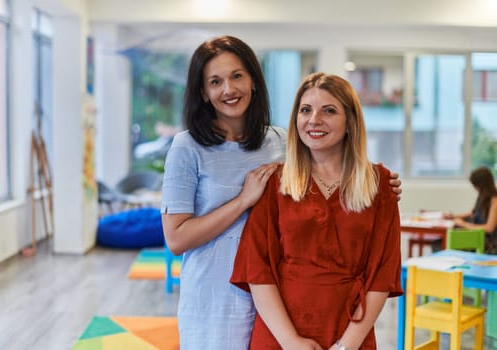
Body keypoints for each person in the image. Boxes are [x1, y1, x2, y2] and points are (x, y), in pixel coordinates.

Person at [161, 36, 402, 350]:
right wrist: (244, 200)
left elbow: (328, 159)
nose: (228, 89)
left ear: (254, 81)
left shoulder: (280, 141)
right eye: (215, 81)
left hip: (277, 306)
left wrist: (380, 182)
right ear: (203, 93)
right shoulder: (187, 146)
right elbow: (176, 239)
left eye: (237, 76)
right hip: (217, 297)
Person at [230, 72, 403, 350]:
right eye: (305, 110)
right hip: (280, 333)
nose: (313, 120)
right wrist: (290, 341)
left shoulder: (380, 183)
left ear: (350, 122)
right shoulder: (275, 183)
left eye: (329, 111)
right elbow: (257, 269)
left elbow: (382, 273)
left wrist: (346, 345)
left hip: (350, 331)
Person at [444, 166, 497, 254]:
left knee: (453, 241)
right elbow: (472, 213)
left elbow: (489, 228)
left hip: (487, 241)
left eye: (475, 186)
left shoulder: (494, 201)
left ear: (481, 185)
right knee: (442, 240)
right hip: (475, 234)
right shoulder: (482, 197)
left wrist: (464, 224)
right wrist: (453, 217)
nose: (474, 188)